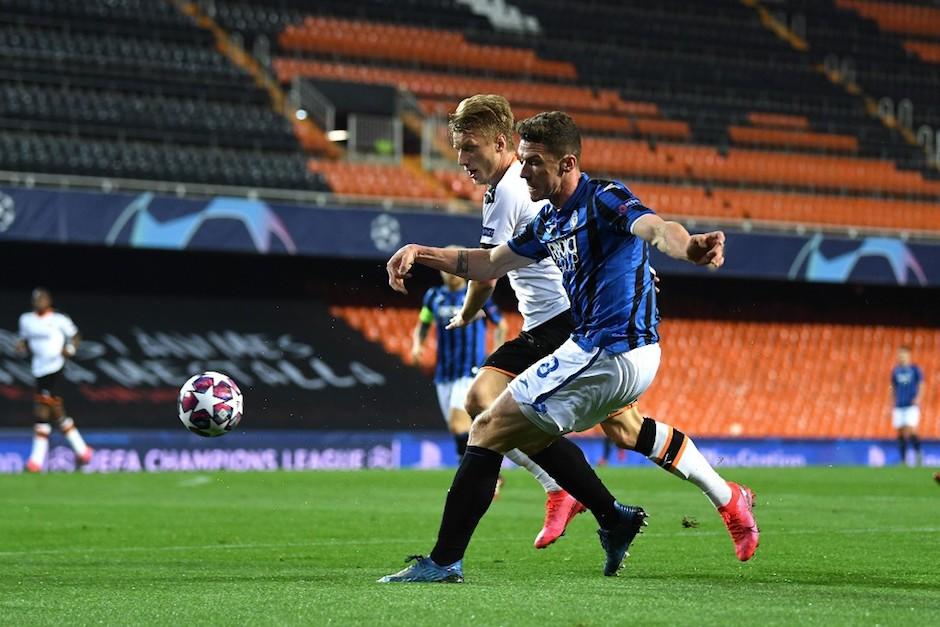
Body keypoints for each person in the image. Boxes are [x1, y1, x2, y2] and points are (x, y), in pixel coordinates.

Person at [379, 111, 759, 583]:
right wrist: (421, 251)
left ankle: (446, 560)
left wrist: (690, 248)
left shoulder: (604, 198)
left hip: (610, 349)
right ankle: (702, 503)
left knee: (487, 424)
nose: (524, 172)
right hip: (599, 350)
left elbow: (658, 229)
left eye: (534, 162)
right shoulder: (548, 222)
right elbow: (490, 262)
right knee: (600, 431)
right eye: (522, 161)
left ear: (567, 164)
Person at [445, 94, 587, 548]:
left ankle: (563, 490)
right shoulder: (512, 187)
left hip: (559, 320)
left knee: (482, 401)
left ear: (501, 142)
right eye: (459, 148)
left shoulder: (507, 190)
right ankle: (578, 497)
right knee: (488, 406)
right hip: (549, 321)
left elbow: (486, 271)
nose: (462, 159)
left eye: (470, 148)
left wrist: (467, 313)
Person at [411, 268, 508, 459]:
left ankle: (473, 474)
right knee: (460, 429)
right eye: (447, 270)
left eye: (454, 269)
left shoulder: (476, 293)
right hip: (445, 372)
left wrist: (497, 352)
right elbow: (423, 322)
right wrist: (417, 345)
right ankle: (487, 471)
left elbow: (501, 325)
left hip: (470, 369)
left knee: (458, 424)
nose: (451, 274)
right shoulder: (433, 296)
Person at [15, 287, 93, 472]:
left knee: (42, 410)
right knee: (56, 412)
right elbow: (24, 340)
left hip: (55, 368)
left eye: (41, 298)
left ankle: (36, 461)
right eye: (35, 298)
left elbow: (75, 336)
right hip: (38, 369)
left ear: (49, 300)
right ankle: (83, 450)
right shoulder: (26, 320)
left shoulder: (59, 319)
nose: (38, 301)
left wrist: (70, 349)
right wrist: (20, 346)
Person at [891, 345, 923, 466]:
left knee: (910, 430)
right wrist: (892, 402)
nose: (901, 357)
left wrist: (918, 397)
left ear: (908, 356)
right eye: (900, 355)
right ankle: (903, 460)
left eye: (903, 354)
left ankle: (918, 453)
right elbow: (892, 386)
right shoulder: (895, 370)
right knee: (900, 432)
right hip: (899, 405)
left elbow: (921, 384)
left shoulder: (915, 369)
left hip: (911, 405)